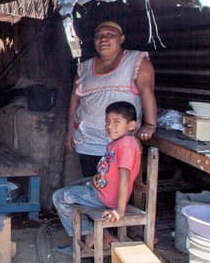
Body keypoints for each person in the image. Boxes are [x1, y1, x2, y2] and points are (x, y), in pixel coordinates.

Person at [66, 20, 158, 177]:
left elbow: (147, 92)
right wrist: (70, 131)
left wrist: (150, 124)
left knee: (116, 190)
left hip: (121, 142)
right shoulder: (85, 67)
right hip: (88, 140)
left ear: (121, 39)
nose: (103, 39)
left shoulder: (136, 61)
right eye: (99, 36)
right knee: (92, 185)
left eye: (110, 35)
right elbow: (75, 100)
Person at [52, 101, 143, 248]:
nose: (110, 126)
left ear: (131, 125)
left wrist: (119, 209)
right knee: (73, 186)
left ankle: (90, 235)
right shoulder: (118, 143)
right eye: (107, 121)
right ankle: (92, 238)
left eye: (116, 122)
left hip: (104, 198)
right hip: (99, 190)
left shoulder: (126, 144)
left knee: (59, 197)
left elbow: (125, 178)